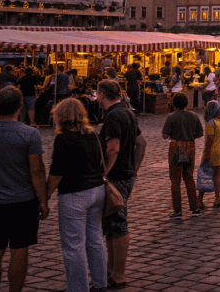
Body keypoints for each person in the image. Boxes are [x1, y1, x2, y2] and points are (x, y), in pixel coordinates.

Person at [0, 86, 49, 292]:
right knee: (20, 250)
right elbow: (37, 171)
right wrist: (43, 199)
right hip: (23, 200)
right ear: (20, 106)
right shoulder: (29, 134)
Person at [47, 98, 109, 292]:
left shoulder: (64, 139)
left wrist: (45, 197)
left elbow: (57, 173)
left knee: (74, 244)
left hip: (74, 194)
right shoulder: (93, 135)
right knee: (95, 238)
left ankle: (77, 287)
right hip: (97, 190)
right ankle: (100, 282)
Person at [97, 79, 146, 288]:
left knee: (118, 223)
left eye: (97, 93)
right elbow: (141, 143)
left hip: (116, 177)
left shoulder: (114, 116)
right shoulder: (128, 112)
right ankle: (110, 267)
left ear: (102, 95)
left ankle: (119, 273)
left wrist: (104, 174)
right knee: (109, 223)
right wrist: (133, 170)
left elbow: (113, 148)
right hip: (125, 175)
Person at [162, 91, 203, 219]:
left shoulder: (171, 116)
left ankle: (178, 211)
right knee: (189, 177)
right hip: (190, 146)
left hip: (176, 146)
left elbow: (165, 135)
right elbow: (200, 133)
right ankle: (195, 207)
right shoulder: (194, 116)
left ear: (174, 103)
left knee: (175, 180)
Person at [197, 100, 220, 208]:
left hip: (211, 153)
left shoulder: (211, 123)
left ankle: (199, 199)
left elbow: (209, 140)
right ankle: (217, 197)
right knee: (216, 176)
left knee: (205, 175)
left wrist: (206, 153)